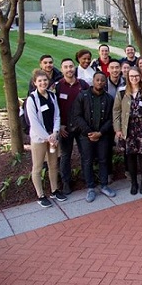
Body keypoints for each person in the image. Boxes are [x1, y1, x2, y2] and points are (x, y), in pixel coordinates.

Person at [71, 72, 117, 203]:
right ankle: (90, 187)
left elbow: (110, 118)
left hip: (103, 135)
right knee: (87, 161)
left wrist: (100, 133)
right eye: (97, 80)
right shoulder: (83, 96)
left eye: (103, 80)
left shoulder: (108, 98)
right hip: (86, 136)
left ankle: (104, 185)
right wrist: (89, 132)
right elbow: (77, 116)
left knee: (103, 160)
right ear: (93, 81)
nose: (100, 82)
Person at [113, 67, 142, 195]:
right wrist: (118, 129)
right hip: (128, 128)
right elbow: (116, 111)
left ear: (140, 76)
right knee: (130, 156)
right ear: (127, 77)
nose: (134, 78)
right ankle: (133, 182)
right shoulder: (121, 92)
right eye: (131, 76)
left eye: (136, 76)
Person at [27, 70, 65, 207]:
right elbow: (34, 122)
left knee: (53, 164)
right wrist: (47, 137)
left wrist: (55, 133)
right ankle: (40, 195)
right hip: (40, 140)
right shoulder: (31, 100)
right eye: (40, 81)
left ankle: (54, 190)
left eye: (45, 80)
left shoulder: (52, 96)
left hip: (52, 138)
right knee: (37, 167)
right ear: (35, 83)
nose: (43, 83)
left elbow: (57, 115)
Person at [55, 58, 89, 195]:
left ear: (74, 68)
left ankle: (87, 179)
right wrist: (60, 125)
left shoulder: (83, 85)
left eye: (71, 66)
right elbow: (55, 108)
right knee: (65, 155)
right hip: (65, 129)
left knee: (85, 155)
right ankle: (66, 182)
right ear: (62, 69)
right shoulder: (57, 87)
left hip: (81, 127)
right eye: (66, 67)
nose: (69, 69)